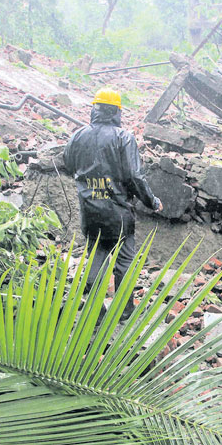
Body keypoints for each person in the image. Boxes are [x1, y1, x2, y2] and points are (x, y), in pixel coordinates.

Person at [63, 87, 163, 321]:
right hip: (118, 212)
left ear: (95, 109)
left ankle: (96, 312)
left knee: (96, 256)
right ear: (117, 111)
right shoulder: (123, 138)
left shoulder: (78, 135)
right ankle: (124, 310)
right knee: (125, 260)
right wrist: (152, 202)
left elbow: (68, 164)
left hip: (90, 211)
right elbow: (135, 177)